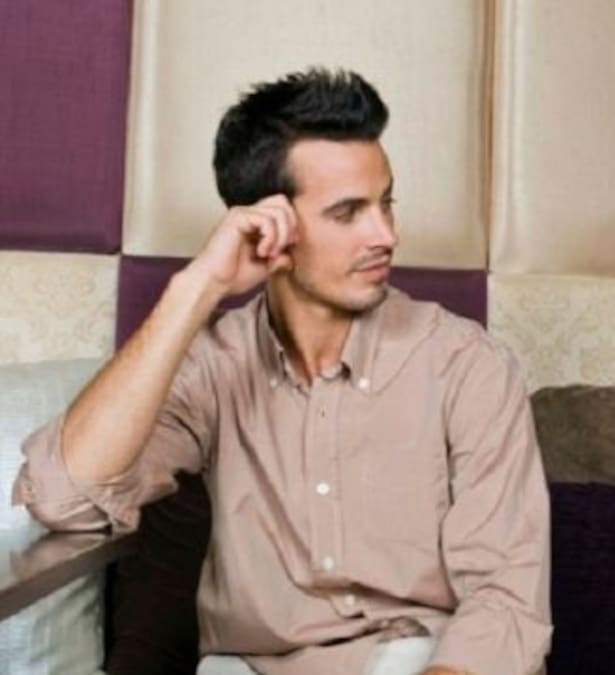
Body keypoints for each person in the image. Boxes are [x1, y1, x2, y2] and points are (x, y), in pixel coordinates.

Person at [13, 68, 551, 675]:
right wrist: (198, 287)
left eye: (386, 202)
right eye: (348, 212)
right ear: (269, 224)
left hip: (424, 661)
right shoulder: (211, 367)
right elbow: (65, 500)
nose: (386, 234)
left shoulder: (467, 366)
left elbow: (506, 598)